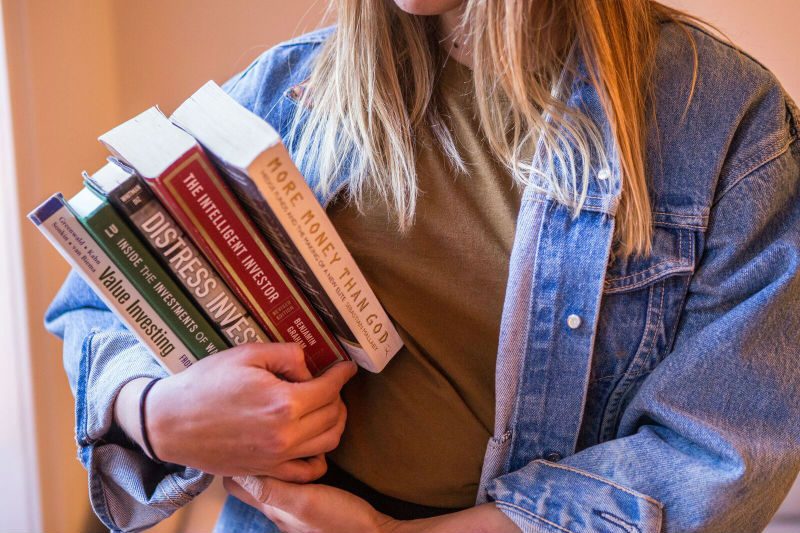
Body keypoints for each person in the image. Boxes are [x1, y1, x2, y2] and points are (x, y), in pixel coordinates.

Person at [45, 0, 800, 532]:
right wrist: (158, 413)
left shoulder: (726, 119)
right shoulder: (290, 92)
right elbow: (91, 305)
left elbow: (723, 454)